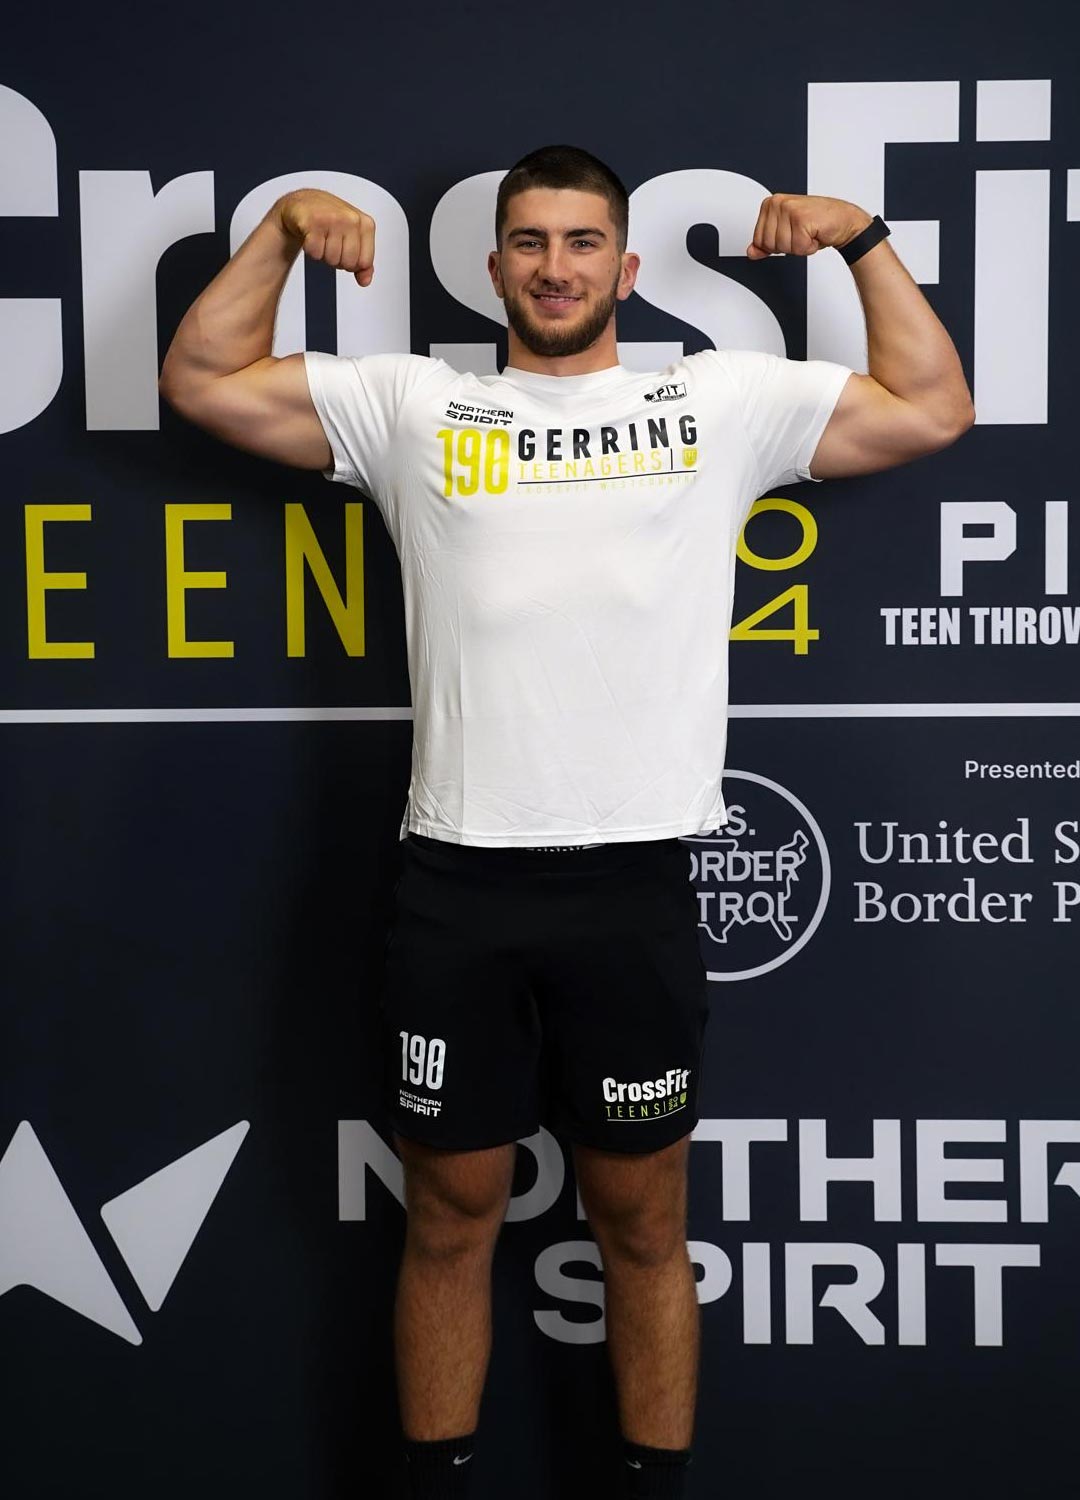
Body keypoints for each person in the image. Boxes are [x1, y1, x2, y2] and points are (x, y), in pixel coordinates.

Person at [159, 144, 974, 1498]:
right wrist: (285, 235)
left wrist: (863, 236)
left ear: (626, 267)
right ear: (493, 270)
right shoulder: (418, 407)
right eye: (530, 243)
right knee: (450, 1215)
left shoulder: (713, 402)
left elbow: (935, 405)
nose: (556, 267)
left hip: (630, 886)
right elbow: (201, 380)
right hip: (458, 885)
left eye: (582, 242)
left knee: (644, 1225)